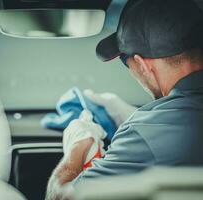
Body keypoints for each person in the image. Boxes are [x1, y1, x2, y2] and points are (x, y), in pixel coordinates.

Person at [45, 0, 203, 199]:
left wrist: (76, 148)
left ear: (142, 64)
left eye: (125, 61)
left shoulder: (143, 132)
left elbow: (60, 197)